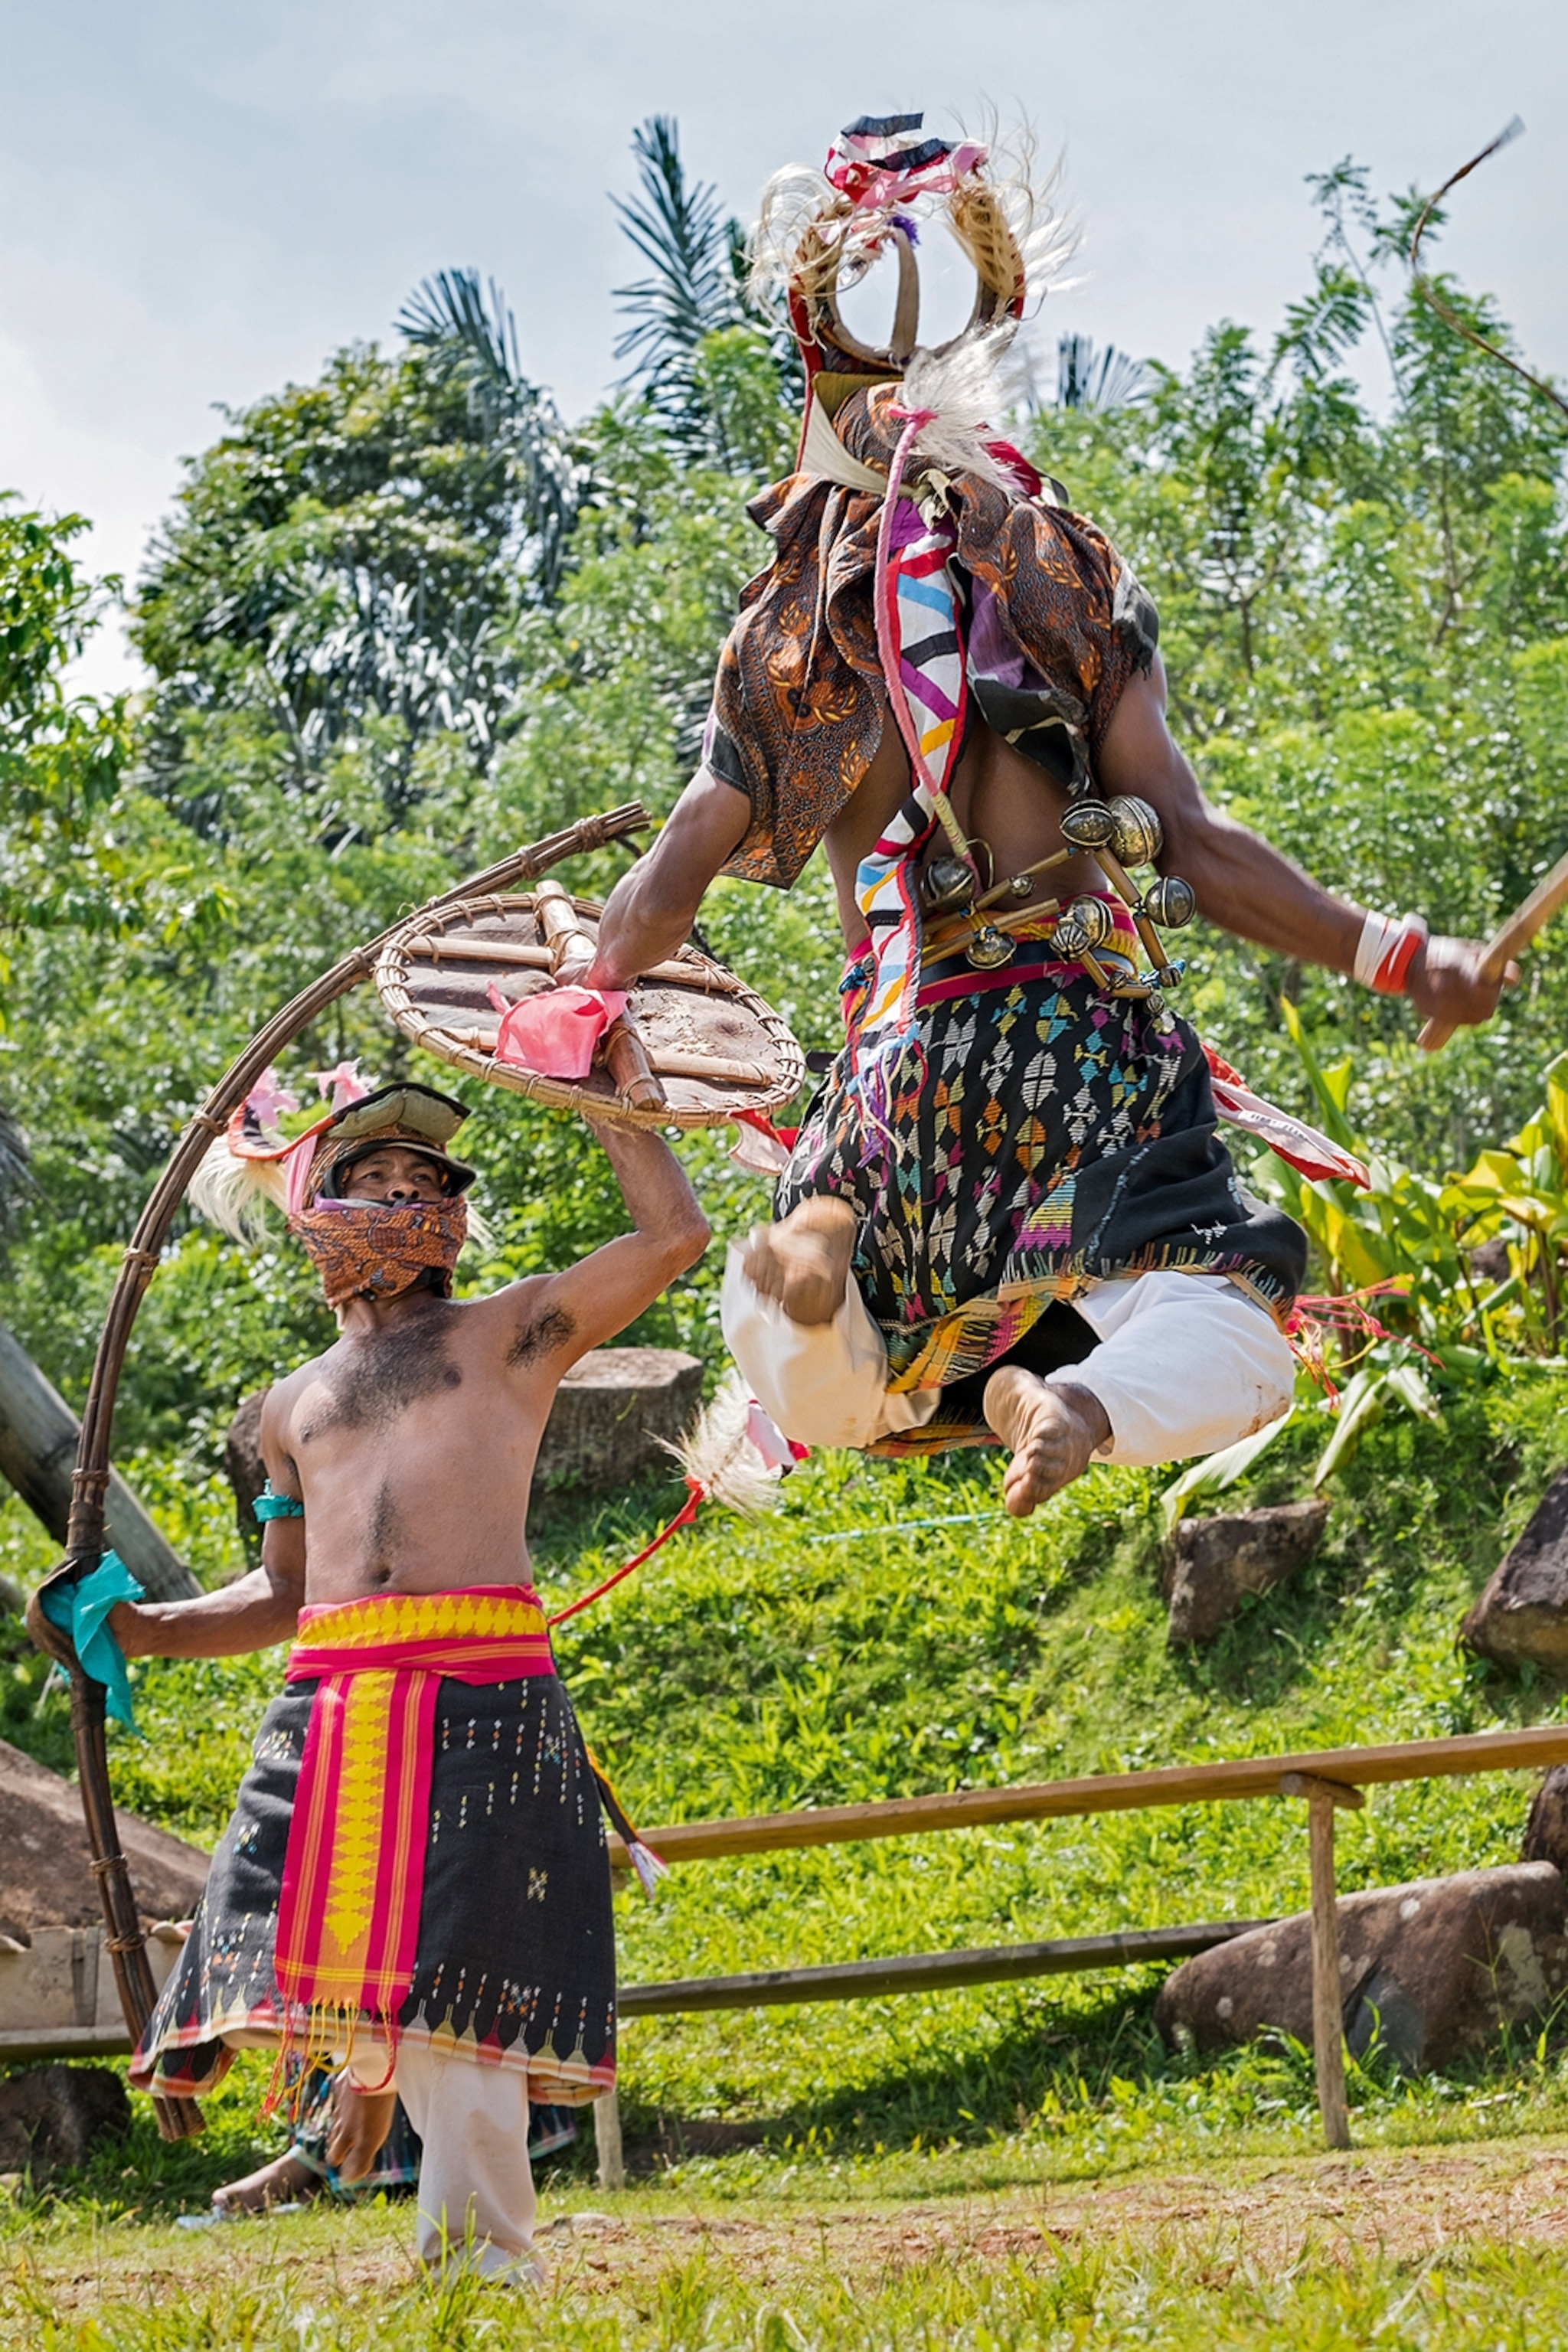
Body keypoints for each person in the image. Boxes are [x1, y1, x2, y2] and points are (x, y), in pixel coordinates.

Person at [570, 113, 1510, 1518]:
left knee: (818, 1386)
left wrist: (579, 994)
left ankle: (834, 1273)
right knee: (1242, 1328)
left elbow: (661, 896)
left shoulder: (788, 631)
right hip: (1078, 1066)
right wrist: (1399, 954)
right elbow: (1191, 845)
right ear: (987, 337)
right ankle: (1075, 1392)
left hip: (889, 1102)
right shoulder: (1058, 568)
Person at [115, 1078, 708, 2284]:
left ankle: (481, 2272)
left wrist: (601, 1097)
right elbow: (281, 1595)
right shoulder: (293, 1405)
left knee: (473, 1987)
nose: (404, 1199)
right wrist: (132, 1627)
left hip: (483, 1682)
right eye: (377, 1182)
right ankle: (370, 2105)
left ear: (453, 1223)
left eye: (427, 1186)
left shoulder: (514, 1333)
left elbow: (672, 1240)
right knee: (275, 1934)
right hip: (332, 1694)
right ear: (321, 1215)